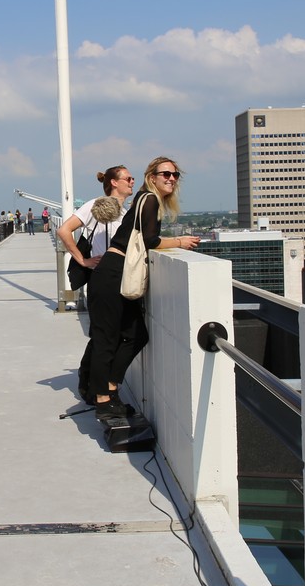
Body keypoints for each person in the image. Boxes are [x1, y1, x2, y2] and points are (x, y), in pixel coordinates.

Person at [87, 156, 200, 427]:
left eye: (175, 175)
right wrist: (180, 241)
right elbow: (149, 240)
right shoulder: (149, 199)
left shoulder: (144, 199)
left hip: (116, 274)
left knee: (136, 335)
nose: (171, 179)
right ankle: (103, 401)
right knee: (107, 340)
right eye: (165, 174)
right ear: (152, 177)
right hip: (112, 275)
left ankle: (110, 388)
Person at [57, 165, 135, 402]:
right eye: (128, 178)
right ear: (114, 182)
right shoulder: (95, 205)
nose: (132, 181)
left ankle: (97, 384)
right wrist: (83, 260)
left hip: (119, 279)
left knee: (108, 335)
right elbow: (64, 230)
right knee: (104, 337)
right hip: (102, 278)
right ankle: (92, 387)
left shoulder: (126, 211)